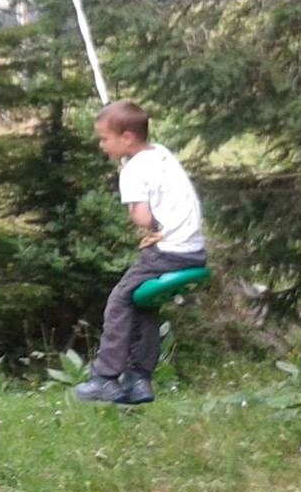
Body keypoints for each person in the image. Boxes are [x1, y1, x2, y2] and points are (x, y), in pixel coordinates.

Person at [76, 100, 207, 406]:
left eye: (104, 138)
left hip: (168, 254)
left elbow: (143, 219)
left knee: (119, 301)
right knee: (143, 303)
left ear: (126, 139)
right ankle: (139, 381)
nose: (100, 144)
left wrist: (133, 196)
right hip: (194, 252)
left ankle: (106, 378)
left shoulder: (133, 170)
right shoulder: (160, 153)